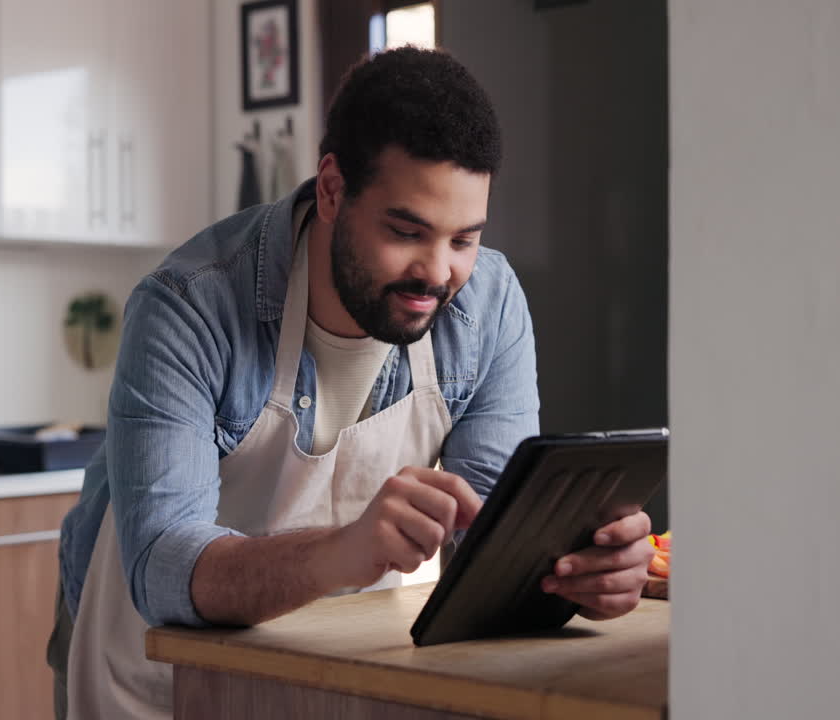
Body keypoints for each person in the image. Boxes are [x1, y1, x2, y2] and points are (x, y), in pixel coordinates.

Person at [46, 46, 656, 720]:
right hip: (147, 673)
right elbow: (162, 567)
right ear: (333, 189)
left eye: (464, 239)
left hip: (328, 665)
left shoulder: (490, 304)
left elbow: (491, 539)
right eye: (407, 231)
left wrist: (575, 575)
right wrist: (341, 552)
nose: (438, 272)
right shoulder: (189, 305)